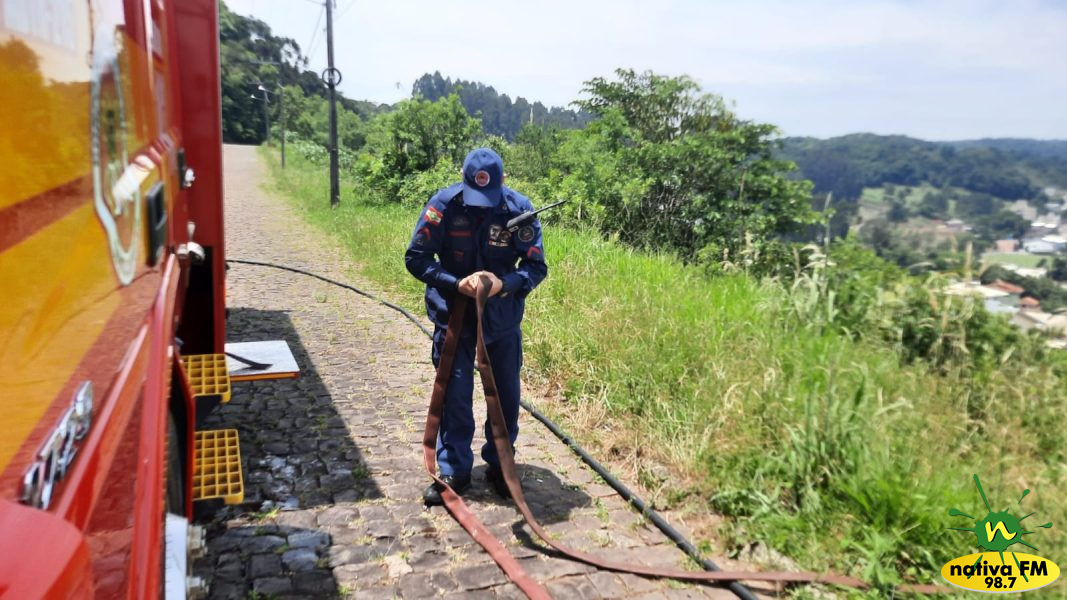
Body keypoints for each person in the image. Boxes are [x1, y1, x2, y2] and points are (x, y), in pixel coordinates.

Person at [405, 147, 548, 506]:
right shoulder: (443, 205)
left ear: (503, 182)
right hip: (454, 316)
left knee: (505, 395)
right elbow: (416, 258)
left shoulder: (519, 210)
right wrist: (456, 283)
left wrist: (503, 284)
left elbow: (536, 267)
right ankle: (454, 469)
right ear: (463, 179)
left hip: (501, 319)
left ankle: (501, 465)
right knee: (454, 393)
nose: (481, 206)